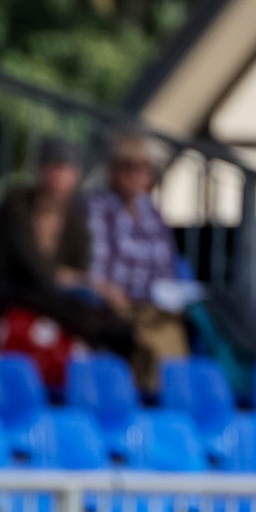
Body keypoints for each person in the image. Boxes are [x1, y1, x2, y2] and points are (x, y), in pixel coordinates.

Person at [0, 136, 135, 357]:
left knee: (98, 310)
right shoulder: (16, 203)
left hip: (45, 293)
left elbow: (79, 266)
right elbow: (33, 266)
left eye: (68, 168)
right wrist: (80, 280)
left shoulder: (75, 216)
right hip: (4, 289)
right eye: (56, 167)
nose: (60, 175)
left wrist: (75, 279)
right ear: (40, 170)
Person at [86, 133, 193, 396]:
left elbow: (167, 266)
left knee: (176, 333)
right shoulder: (97, 210)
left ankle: (164, 408)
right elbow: (93, 269)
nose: (137, 175)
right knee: (155, 341)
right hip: (115, 304)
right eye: (129, 167)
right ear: (112, 169)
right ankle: (149, 405)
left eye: (145, 168)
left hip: (155, 305)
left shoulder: (153, 213)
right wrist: (107, 292)